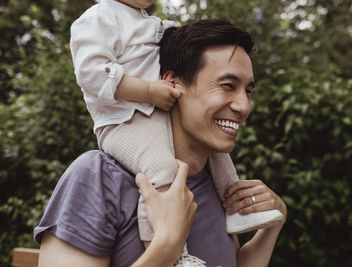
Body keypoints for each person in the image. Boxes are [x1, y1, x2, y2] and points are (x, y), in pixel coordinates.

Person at [34, 18, 287, 266]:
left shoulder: (218, 185)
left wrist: (274, 223)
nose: (244, 106)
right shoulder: (98, 178)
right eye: (228, 86)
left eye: (248, 91)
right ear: (173, 83)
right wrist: (166, 246)